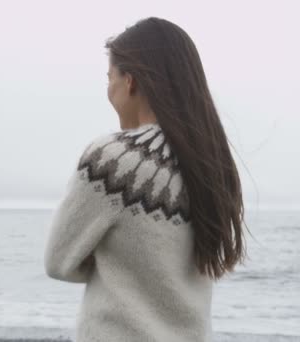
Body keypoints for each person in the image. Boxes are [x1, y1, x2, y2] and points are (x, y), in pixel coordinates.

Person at [43, 17, 249, 342]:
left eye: (109, 76)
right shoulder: (212, 166)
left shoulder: (112, 161)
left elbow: (59, 262)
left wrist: (110, 260)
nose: (107, 89)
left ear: (131, 81)